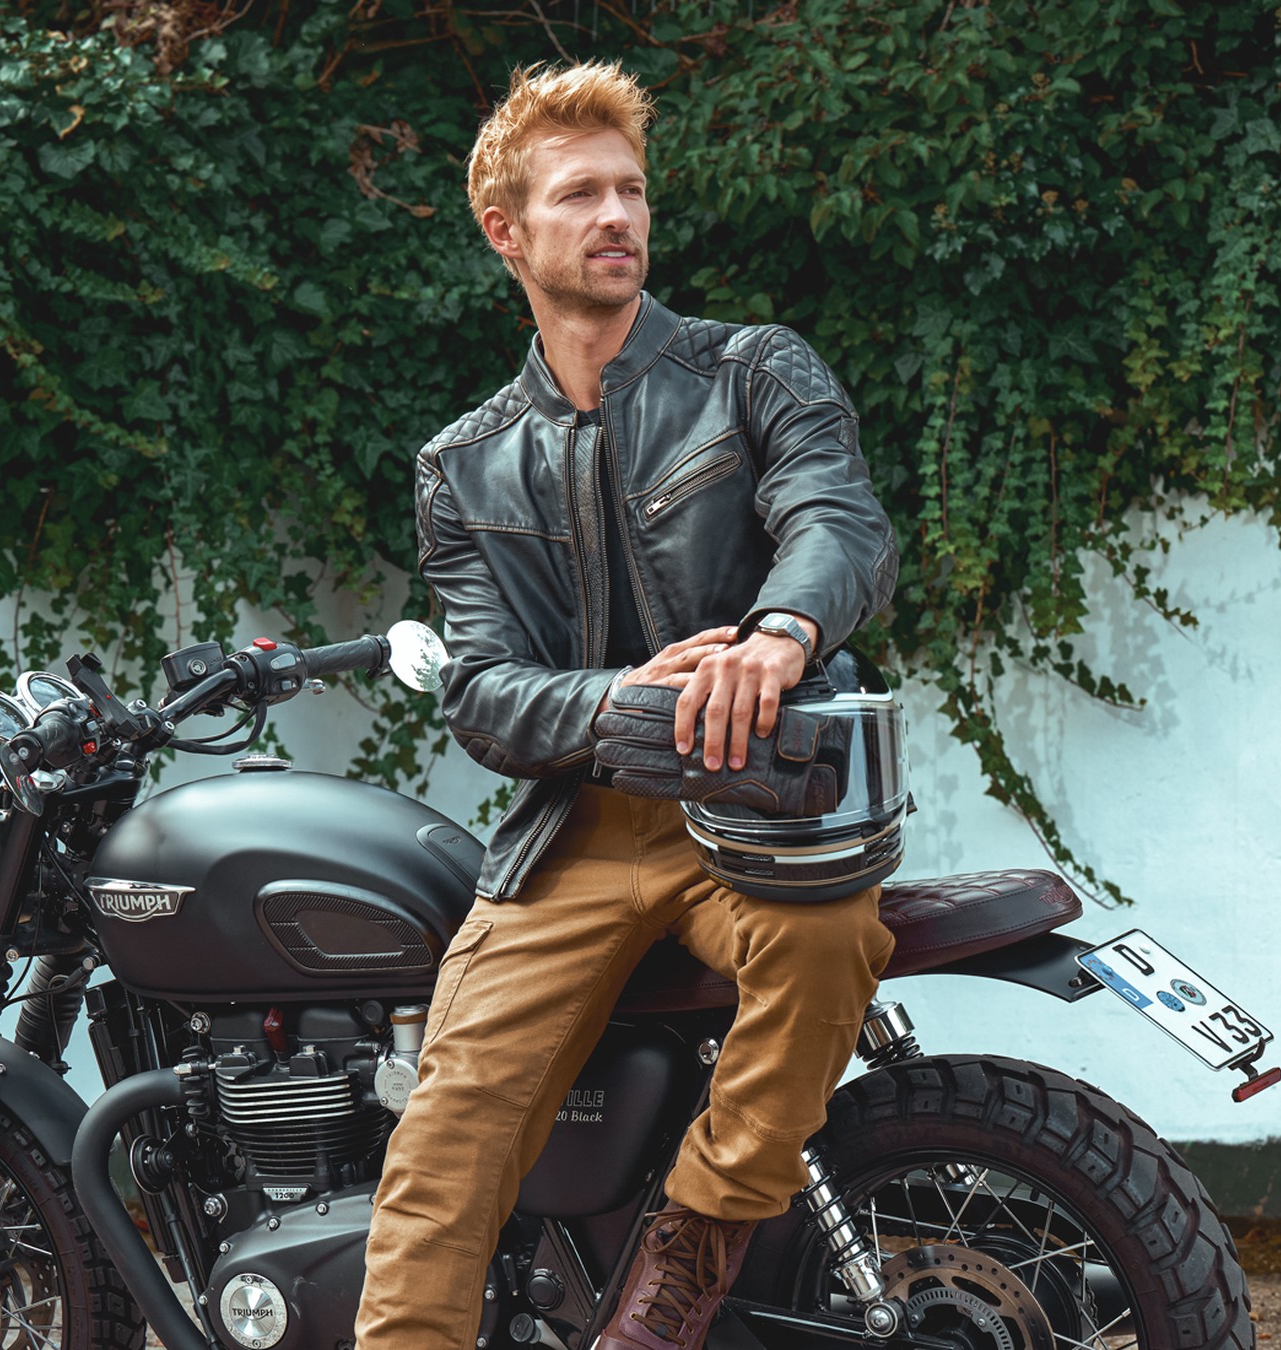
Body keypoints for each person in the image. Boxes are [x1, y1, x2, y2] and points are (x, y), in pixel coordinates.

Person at [356, 60, 902, 1350]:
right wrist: (618, 704)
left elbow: (840, 523)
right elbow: (484, 696)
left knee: (825, 949)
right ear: (508, 230)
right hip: (580, 832)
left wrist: (782, 632)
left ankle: (688, 1256)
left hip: (756, 800)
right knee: (444, 1145)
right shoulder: (463, 461)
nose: (618, 217)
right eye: (581, 194)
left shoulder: (752, 371)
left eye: (632, 190)